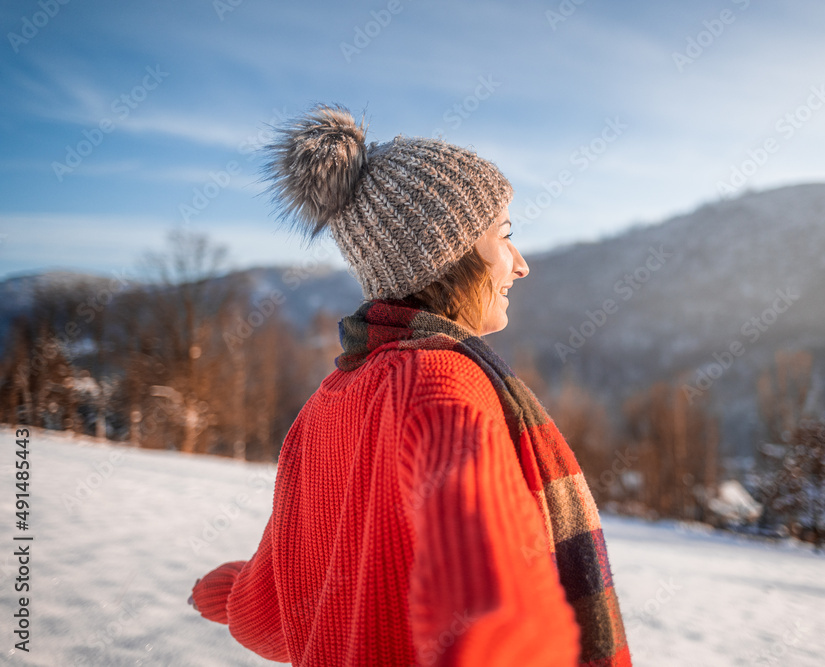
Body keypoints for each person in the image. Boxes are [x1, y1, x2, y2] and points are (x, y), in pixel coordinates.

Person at [188, 104, 632, 666]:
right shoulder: (443, 385)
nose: (521, 265)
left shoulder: (327, 401)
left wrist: (230, 595)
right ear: (445, 257)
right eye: (505, 236)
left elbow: (282, 606)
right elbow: (490, 594)